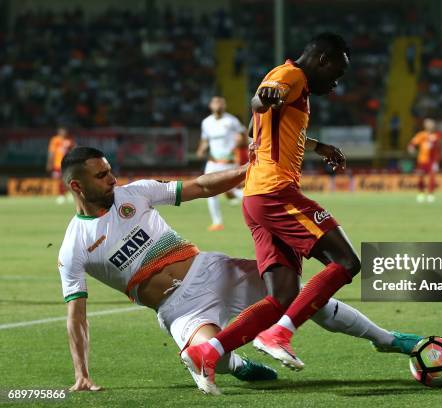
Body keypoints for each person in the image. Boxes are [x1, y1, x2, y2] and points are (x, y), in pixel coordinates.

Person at [59, 147, 423, 395]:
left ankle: (386, 338)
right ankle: (237, 364)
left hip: (213, 270)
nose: (112, 179)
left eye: (109, 171)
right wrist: (82, 373)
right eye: (101, 175)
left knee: (300, 298)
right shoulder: (74, 246)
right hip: (179, 309)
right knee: (195, 356)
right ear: (77, 185)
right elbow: (77, 315)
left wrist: (249, 171)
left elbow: (201, 186)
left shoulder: (135, 194)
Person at [180, 32, 369, 390]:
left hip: (256, 197)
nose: (337, 82)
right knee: (346, 263)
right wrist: (264, 97)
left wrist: (318, 146)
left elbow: (257, 128)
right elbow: (261, 102)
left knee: (282, 295)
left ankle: (209, 351)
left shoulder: (289, 81)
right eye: (338, 73)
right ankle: (278, 335)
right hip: (275, 193)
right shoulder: (291, 76)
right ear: (323, 60)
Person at [196, 96, 247, 231]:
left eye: (220, 103)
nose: (218, 105)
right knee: (208, 189)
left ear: (224, 106)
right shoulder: (206, 122)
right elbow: (205, 140)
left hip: (229, 161)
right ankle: (217, 222)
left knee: (233, 191)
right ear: (210, 106)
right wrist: (201, 150)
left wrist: (238, 142)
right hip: (212, 161)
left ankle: (256, 199)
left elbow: (243, 136)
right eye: (215, 102)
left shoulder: (231, 121)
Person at [408, 118, 441, 203]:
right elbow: (412, 143)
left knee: (432, 177)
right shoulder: (421, 135)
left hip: (432, 161)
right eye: (428, 124)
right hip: (422, 160)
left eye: (431, 124)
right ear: (425, 125)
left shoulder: (436, 135)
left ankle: (430, 195)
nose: (430, 125)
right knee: (421, 177)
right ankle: (421, 194)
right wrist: (411, 148)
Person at [47, 126, 76, 204]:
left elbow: (74, 151)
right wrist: (49, 163)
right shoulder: (55, 140)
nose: (63, 132)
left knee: (69, 180)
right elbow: (51, 152)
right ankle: (61, 195)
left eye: (65, 130)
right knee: (59, 180)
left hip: (67, 164)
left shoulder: (69, 140)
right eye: (62, 130)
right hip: (57, 164)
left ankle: (70, 194)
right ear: (59, 131)